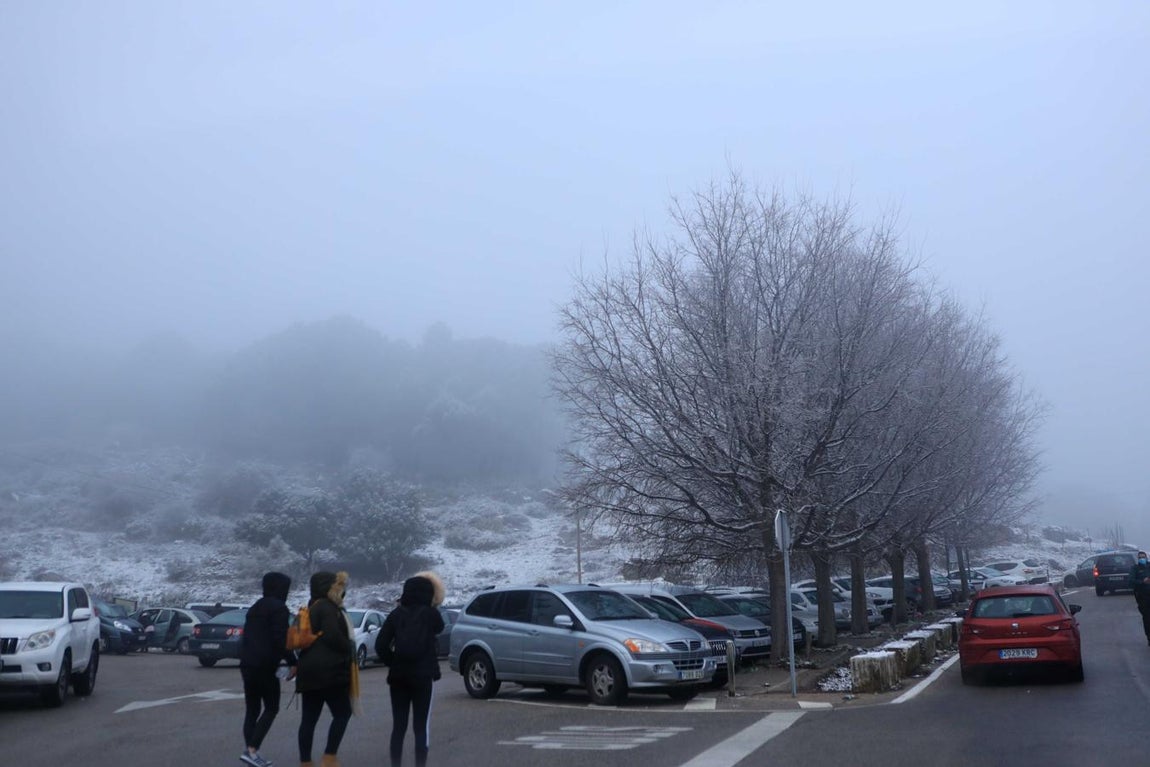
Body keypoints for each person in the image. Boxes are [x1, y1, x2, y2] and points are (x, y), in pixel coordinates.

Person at [377, 571, 446, 767]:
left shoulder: (396, 614)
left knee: (398, 727)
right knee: (420, 726)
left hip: (399, 677)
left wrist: (394, 662)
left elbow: (381, 645)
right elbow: (440, 628)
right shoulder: (431, 614)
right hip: (423, 676)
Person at [296, 571, 356, 767]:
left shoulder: (311, 606)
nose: (342, 591)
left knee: (309, 719)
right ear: (331, 588)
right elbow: (331, 635)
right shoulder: (328, 608)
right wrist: (348, 647)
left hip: (308, 671)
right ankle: (329, 758)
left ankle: (305, 762)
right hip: (330, 672)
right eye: (339, 587)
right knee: (342, 713)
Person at [238, 571, 297, 767]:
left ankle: (252, 755)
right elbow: (279, 640)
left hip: (247, 664)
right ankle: (252, 750)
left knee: (252, 710)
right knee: (272, 707)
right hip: (265, 665)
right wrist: (293, 661)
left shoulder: (254, 607)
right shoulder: (279, 608)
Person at [1130, 551, 1150, 646]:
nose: (1142, 559)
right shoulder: (1135, 568)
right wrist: (1142, 581)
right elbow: (1131, 582)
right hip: (1142, 597)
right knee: (1147, 617)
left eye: (1143, 557)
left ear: (1146, 558)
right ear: (1138, 559)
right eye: (1140, 557)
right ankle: (1149, 637)